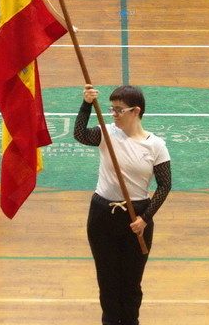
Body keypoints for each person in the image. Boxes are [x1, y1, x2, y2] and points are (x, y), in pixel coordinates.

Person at [74, 84, 171, 325]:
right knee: (106, 279)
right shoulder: (105, 134)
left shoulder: (155, 145)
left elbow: (164, 185)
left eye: (119, 110)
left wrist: (144, 219)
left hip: (136, 216)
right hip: (102, 214)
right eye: (111, 109)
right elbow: (80, 134)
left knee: (131, 282)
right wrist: (86, 104)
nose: (113, 114)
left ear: (135, 111)